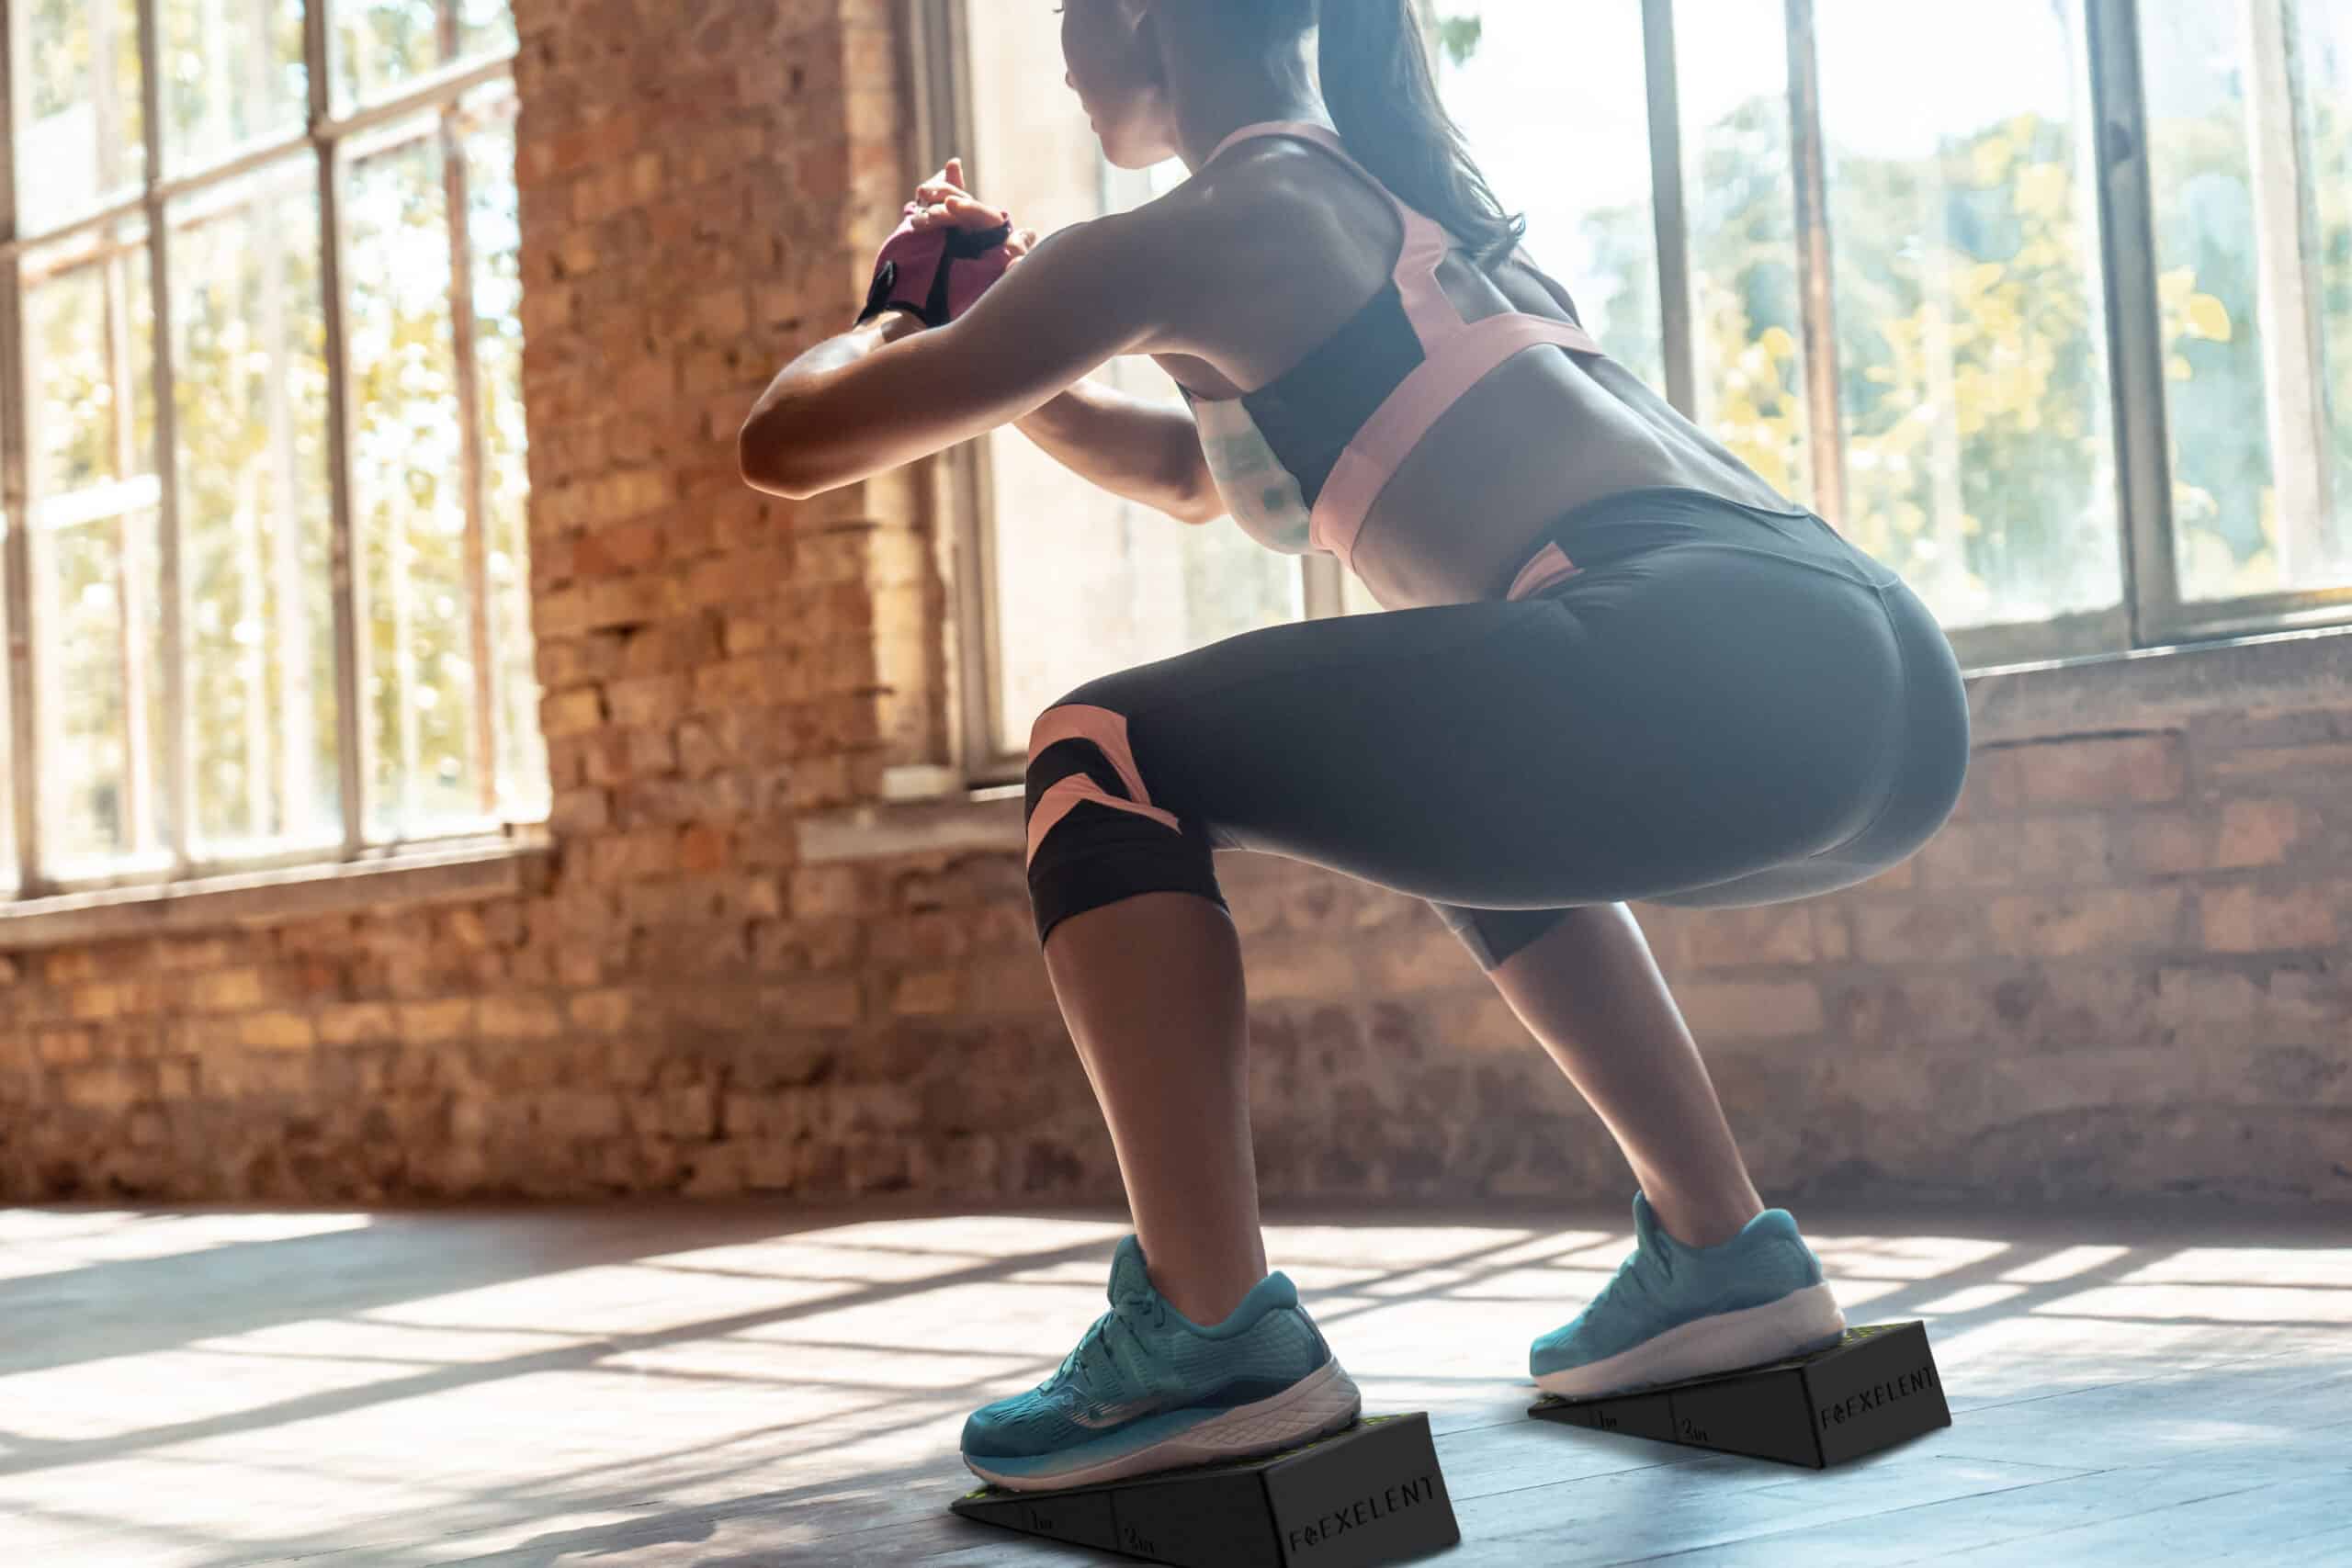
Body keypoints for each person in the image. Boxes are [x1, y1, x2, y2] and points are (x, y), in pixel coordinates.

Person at [739, 0, 1969, 1495]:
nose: (1061, 47)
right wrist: (1015, 347)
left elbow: (789, 444)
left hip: (1700, 656)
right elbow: (1202, 476)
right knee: (1470, 788)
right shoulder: (1408, 209)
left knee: (1096, 747)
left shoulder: (1203, 221)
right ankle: (1723, 1255)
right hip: (1868, 679)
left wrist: (901, 315)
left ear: (1143, 16)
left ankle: (1210, 1335)